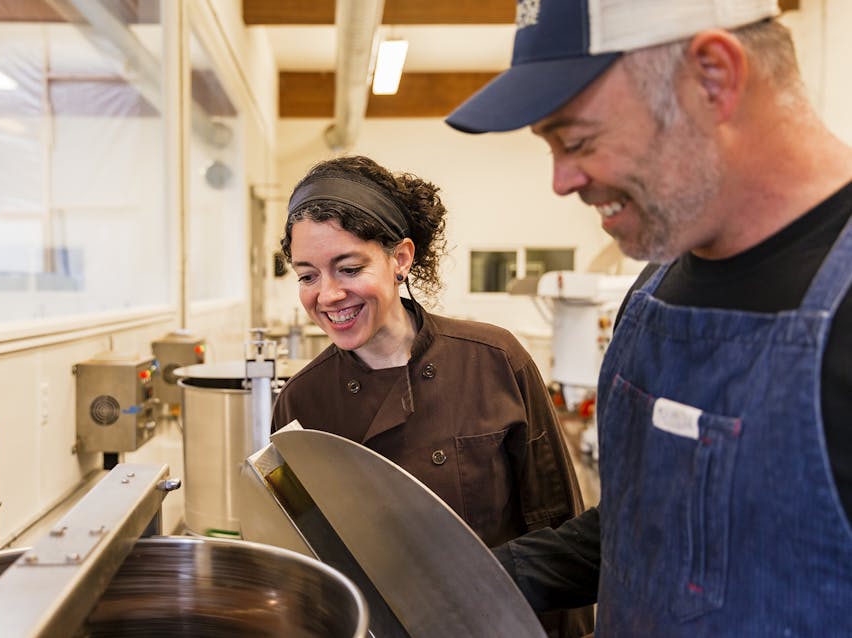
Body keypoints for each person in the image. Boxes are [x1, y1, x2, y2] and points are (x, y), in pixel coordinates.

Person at [445, 0, 852, 635]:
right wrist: (459, 582)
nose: (560, 180)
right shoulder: (655, 287)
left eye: (577, 140)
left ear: (713, 77)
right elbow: (646, 531)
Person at [272, 155, 593, 637]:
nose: (329, 294)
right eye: (307, 275)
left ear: (400, 259)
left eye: (349, 268)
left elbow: (557, 526)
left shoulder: (494, 361)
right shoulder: (302, 401)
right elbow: (300, 558)